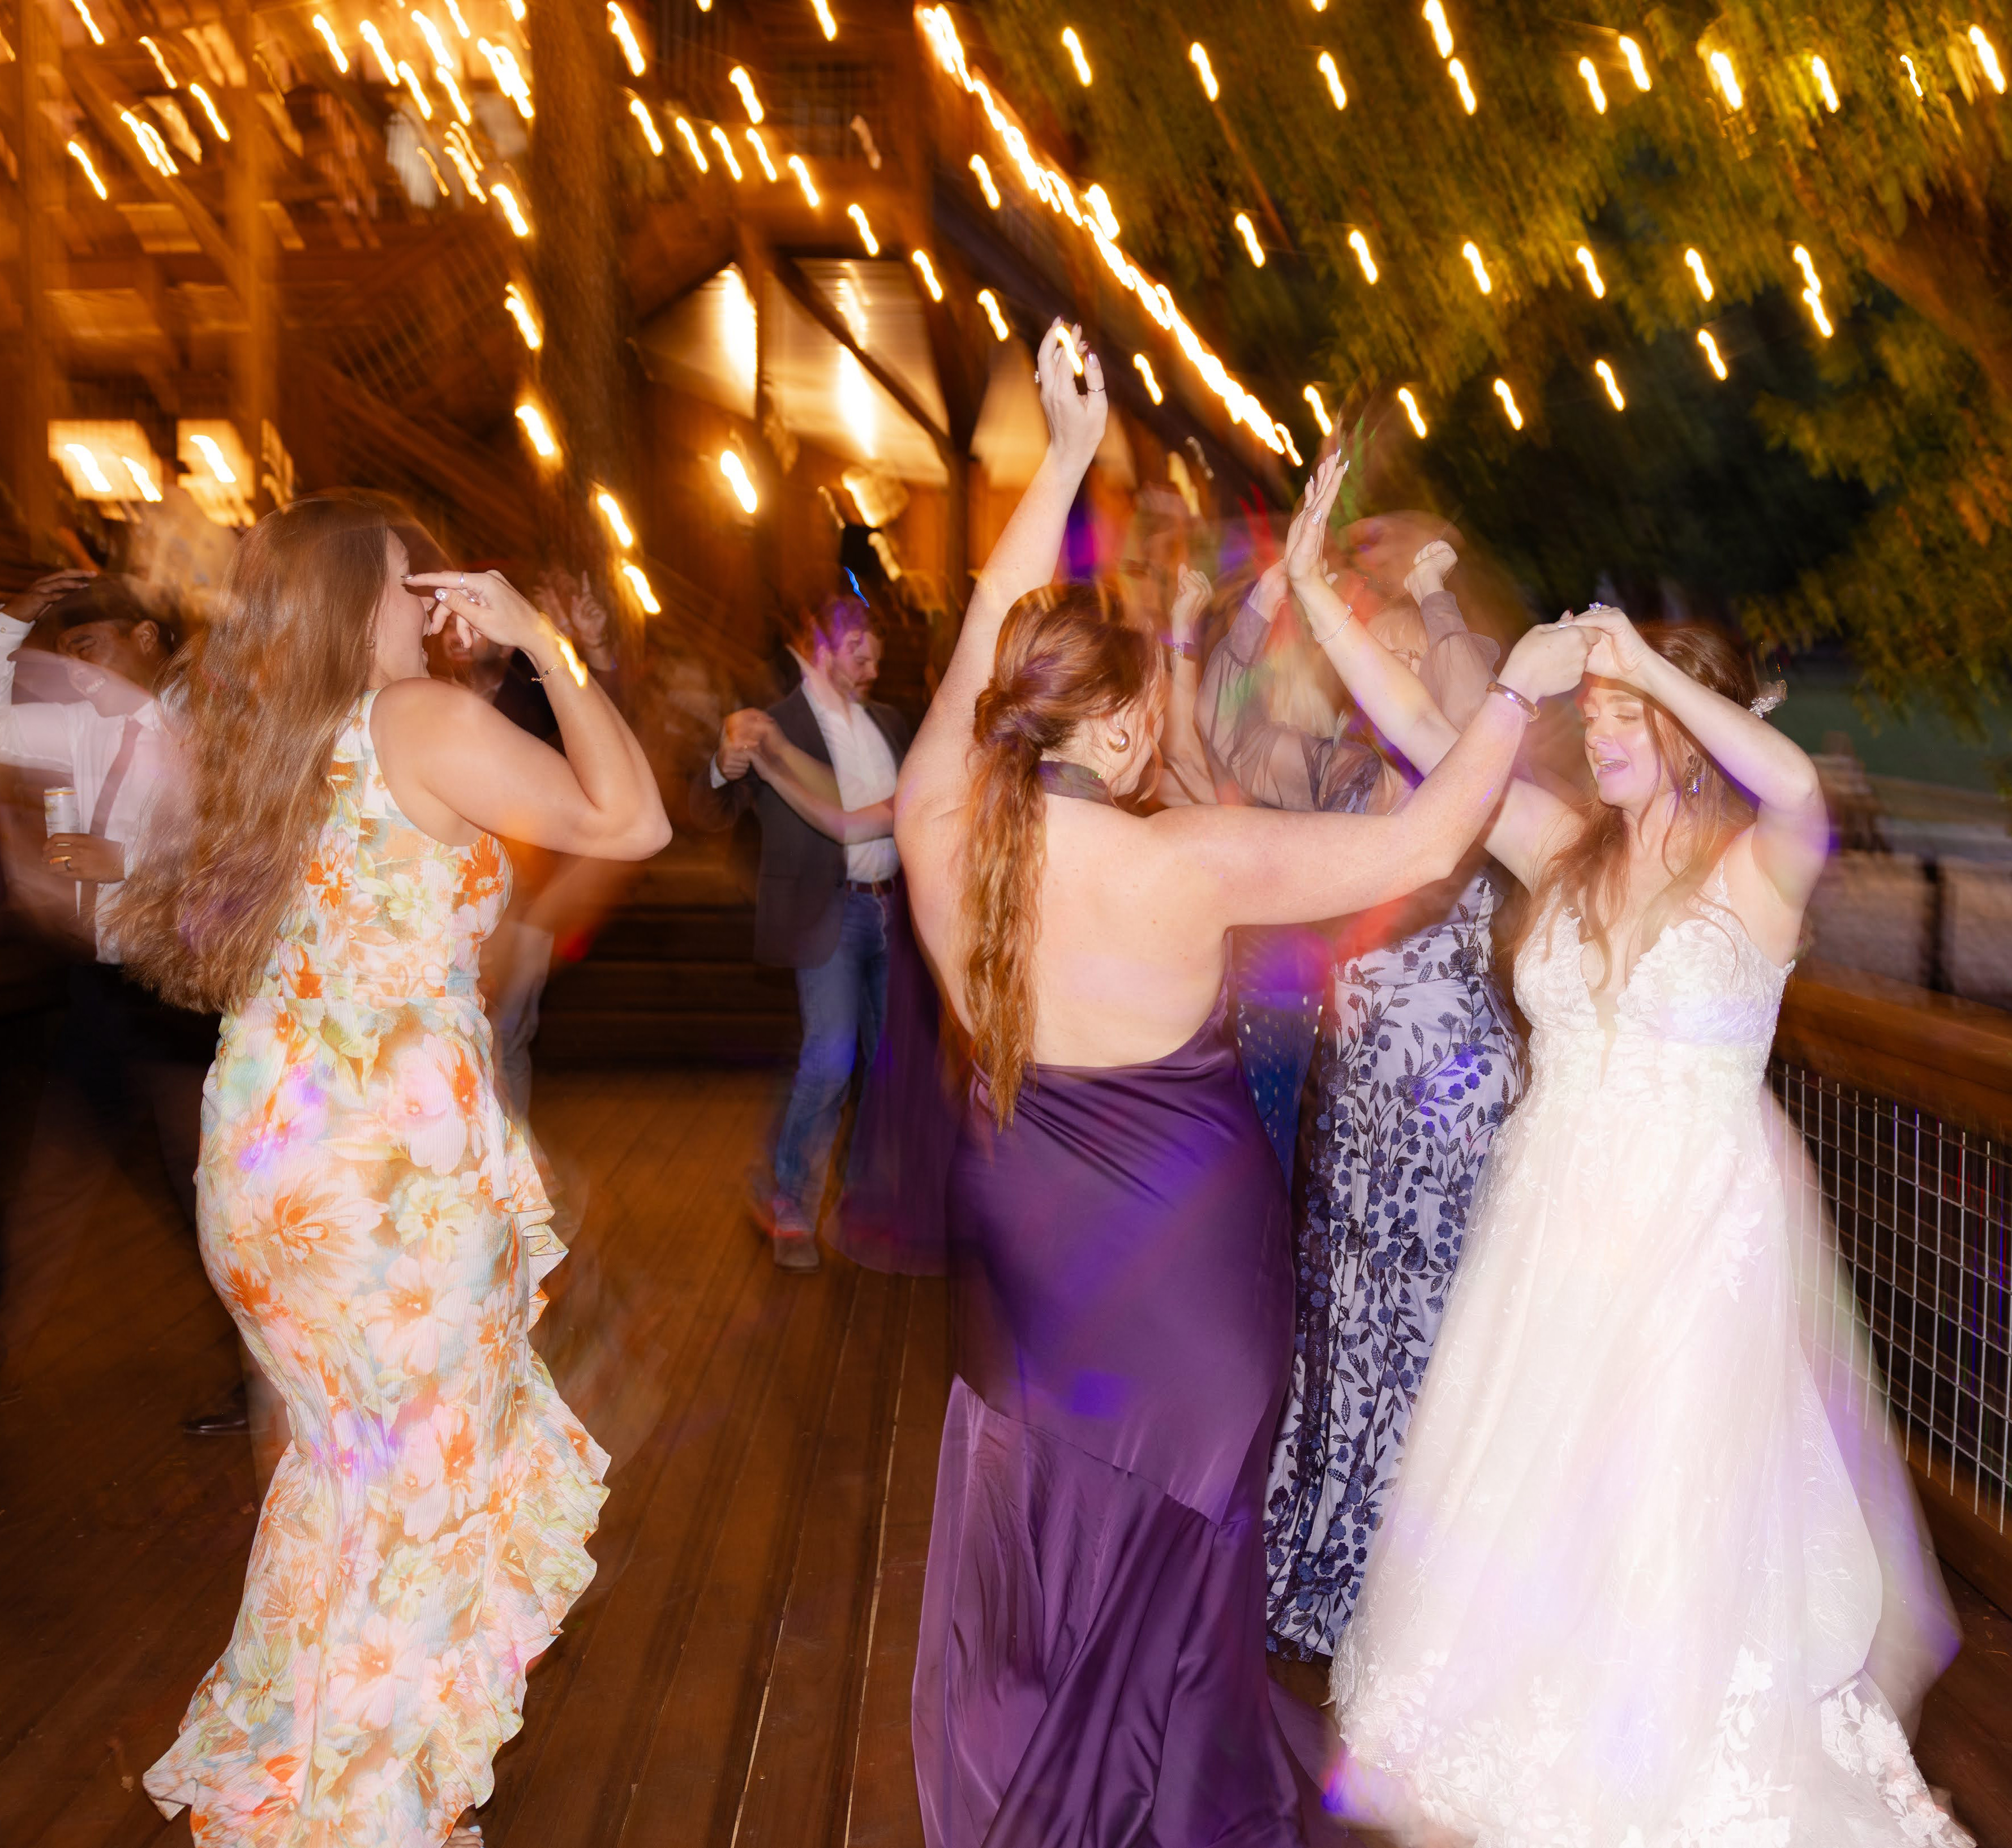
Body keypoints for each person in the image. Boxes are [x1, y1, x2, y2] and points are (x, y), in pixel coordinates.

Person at [895, 325, 1592, 1846]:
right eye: (1145, 696)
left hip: (1026, 1256)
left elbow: (975, 642)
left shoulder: (944, 823)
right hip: (1190, 1269)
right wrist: (1509, 697)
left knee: (1058, 1516)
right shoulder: (1180, 858)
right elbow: (1420, 851)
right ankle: (1164, 1795)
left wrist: (1066, 459)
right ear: (1122, 717)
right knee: (1185, 1534)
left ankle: (1052, 1778)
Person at [1279, 453, 1969, 1845]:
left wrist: (1648, 669)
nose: (1591, 738)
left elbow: (1784, 777)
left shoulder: (1756, 864)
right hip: (1551, 1229)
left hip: (1692, 1239)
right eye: (1588, 715)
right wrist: (1307, 584)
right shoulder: (1563, 849)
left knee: (1667, 1511)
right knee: (1546, 1505)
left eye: (1617, 717)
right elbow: (1424, 725)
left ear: (1673, 717)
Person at [111, 497, 670, 1848]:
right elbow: (634, 818)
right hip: (386, 1187)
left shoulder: (262, 737)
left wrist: (499, 665)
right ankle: (372, 1817)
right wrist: (542, 639)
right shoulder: (416, 725)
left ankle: (298, 1782)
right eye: (409, 580)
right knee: (424, 1498)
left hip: (263, 1162)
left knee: (341, 1472)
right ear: (364, 601)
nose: (431, 599)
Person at [1164, 518, 1525, 1664]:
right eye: (1384, 646)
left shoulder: (1480, 792)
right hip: (1361, 1089)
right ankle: (1333, 1570)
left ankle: (1418, 1596)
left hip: (1450, 1088)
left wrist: (1443, 597)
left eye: (1406, 650)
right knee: (1344, 1326)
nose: (1391, 663)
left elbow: (1475, 694)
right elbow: (1222, 726)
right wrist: (1266, 588)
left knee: (1427, 1329)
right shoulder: (1338, 774)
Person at [0, 572, 224, 1407]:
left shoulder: (204, 729)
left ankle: (270, 1376)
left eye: (89, 649)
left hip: (176, 994)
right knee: (49, 1191)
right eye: (65, 655)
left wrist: (125, 863)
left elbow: (233, 863)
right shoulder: (74, 730)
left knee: (209, 1194)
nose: (75, 671)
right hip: (98, 992)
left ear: (145, 638)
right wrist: (13, 621)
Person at [689, 598, 910, 1271]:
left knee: (884, 1065)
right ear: (821, 644)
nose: (872, 667)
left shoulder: (892, 723)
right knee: (832, 1054)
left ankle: (860, 1198)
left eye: (876, 654)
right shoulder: (773, 720)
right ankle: (789, 1196)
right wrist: (724, 765)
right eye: (859, 653)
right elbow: (710, 805)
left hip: (892, 909)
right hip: (829, 910)